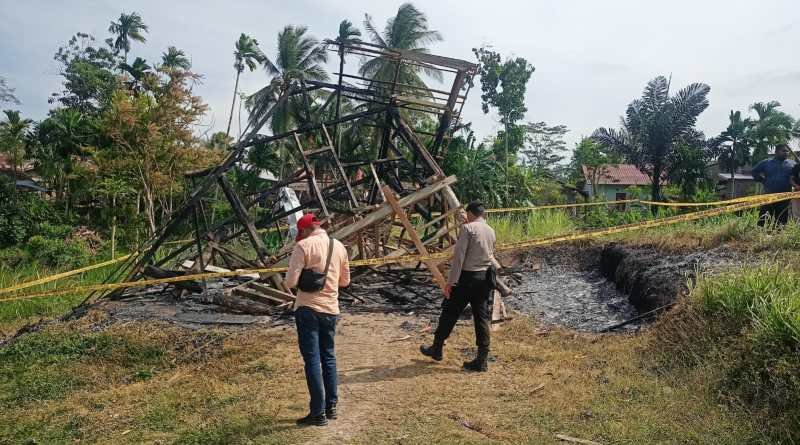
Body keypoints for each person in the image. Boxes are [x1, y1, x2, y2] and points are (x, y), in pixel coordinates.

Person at [285, 213, 350, 427]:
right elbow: (345, 281)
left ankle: (317, 412)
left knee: (312, 360)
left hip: (307, 309)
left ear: (304, 230)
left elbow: (290, 282)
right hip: (331, 309)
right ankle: (331, 406)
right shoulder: (339, 246)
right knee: (328, 357)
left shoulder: (303, 247)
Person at [420, 201, 497, 372]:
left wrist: (450, 282)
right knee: (481, 318)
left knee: (449, 312)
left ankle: (437, 349)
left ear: (470, 213)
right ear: (482, 214)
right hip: (484, 279)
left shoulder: (468, 229)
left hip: (467, 278)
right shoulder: (491, 230)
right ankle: (482, 359)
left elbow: (459, 259)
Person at [751, 144, 795, 226]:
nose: (786, 153)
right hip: (768, 195)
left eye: (787, 151)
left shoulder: (792, 164)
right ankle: (760, 234)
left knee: (782, 219)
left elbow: (796, 176)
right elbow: (754, 171)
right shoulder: (766, 162)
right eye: (783, 151)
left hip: (784, 196)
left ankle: (778, 236)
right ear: (776, 152)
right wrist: (762, 180)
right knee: (764, 217)